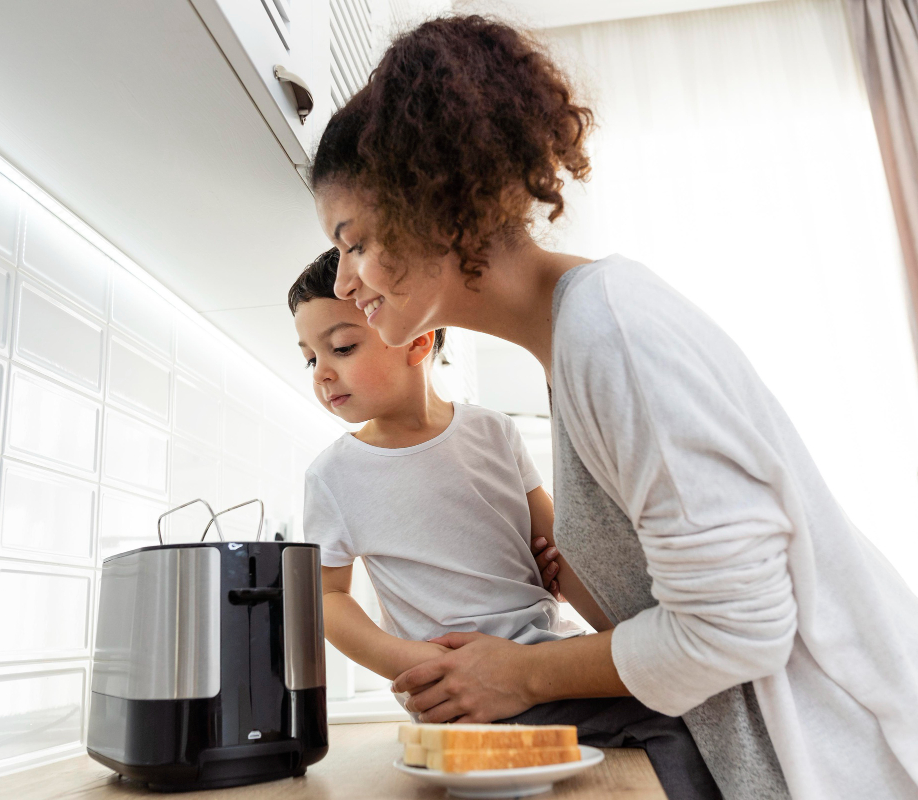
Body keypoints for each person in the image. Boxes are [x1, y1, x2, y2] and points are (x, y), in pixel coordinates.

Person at [306, 14, 918, 800]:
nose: (346, 283)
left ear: (432, 201)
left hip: (853, 768)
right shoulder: (574, 343)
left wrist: (518, 674)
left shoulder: (611, 334)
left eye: (353, 242)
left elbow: (738, 629)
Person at [290, 248, 722, 800]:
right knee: (672, 726)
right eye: (310, 358)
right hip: (457, 689)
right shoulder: (333, 476)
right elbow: (325, 596)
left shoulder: (493, 432)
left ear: (417, 340)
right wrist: (410, 663)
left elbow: (560, 547)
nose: (323, 374)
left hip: (542, 657)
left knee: (682, 712)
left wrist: (617, 632)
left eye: (342, 347)